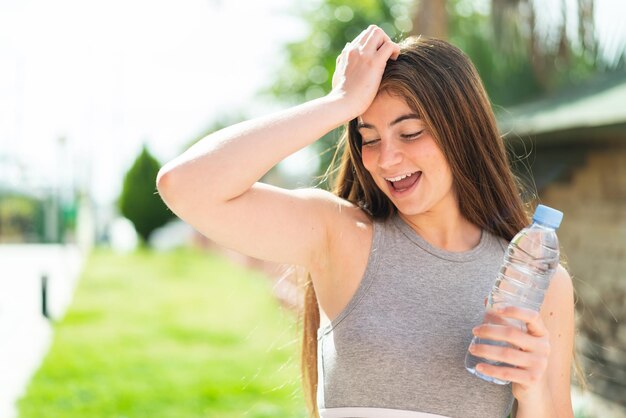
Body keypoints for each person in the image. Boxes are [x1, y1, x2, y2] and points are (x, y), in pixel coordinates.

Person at [157, 25, 578, 418]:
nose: (385, 158)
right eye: (368, 138)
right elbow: (184, 185)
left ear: (461, 131)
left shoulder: (543, 284)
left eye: (410, 132)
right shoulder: (340, 235)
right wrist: (339, 102)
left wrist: (533, 391)